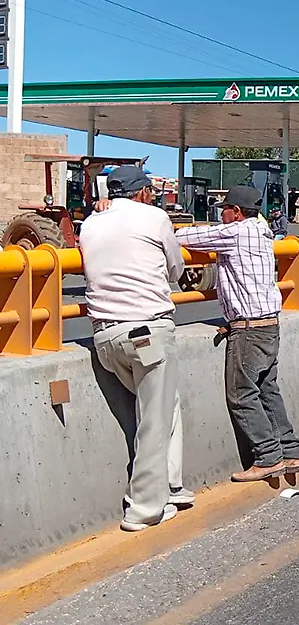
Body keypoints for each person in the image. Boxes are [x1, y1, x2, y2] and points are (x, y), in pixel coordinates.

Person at [80, 166, 190, 532]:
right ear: (142, 192)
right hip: (147, 332)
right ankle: (143, 509)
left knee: (164, 404)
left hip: (105, 339)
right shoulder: (155, 217)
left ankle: (171, 486)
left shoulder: (90, 224)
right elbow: (175, 270)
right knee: (154, 421)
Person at [175, 185, 299, 483]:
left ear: (237, 212)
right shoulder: (261, 230)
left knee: (241, 394)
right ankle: (289, 451)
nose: (222, 216)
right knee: (268, 389)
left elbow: (185, 238)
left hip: (249, 329)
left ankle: (267, 457)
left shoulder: (237, 232)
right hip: (269, 323)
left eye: (225, 210)